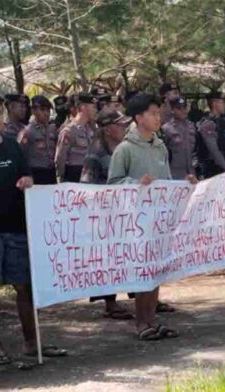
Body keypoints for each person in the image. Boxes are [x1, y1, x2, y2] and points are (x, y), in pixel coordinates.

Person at [0, 90, 67, 364]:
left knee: (25, 287)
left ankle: (32, 343)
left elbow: (27, 175)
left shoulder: (12, 145)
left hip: (17, 229)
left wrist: (27, 182)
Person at [108, 93, 197, 340]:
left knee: (156, 271)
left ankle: (152, 321)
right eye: (153, 114)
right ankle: (141, 324)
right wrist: (136, 183)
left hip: (159, 219)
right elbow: (113, 183)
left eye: (159, 113)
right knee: (142, 274)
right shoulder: (124, 149)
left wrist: (185, 185)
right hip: (136, 221)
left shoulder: (160, 146)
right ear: (138, 118)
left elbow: (166, 181)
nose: (158, 118)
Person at [80, 111, 134, 319]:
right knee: (107, 257)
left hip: (125, 212)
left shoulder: (125, 149)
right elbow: (86, 185)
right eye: (120, 125)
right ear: (107, 129)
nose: (124, 128)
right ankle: (110, 303)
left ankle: (141, 295)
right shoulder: (95, 153)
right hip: (104, 214)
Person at [196, 92, 225, 178]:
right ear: (214, 104)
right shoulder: (208, 124)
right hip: (213, 170)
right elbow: (214, 151)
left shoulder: (224, 121)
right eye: (223, 102)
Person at [55, 93, 97, 183]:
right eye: (93, 107)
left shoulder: (90, 130)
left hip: (88, 177)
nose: (95, 110)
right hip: (73, 177)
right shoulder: (69, 131)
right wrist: (62, 179)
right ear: (83, 107)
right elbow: (60, 158)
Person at [17, 95, 58, 185]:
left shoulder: (52, 129)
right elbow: (21, 155)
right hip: (35, 172)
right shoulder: (28, 131)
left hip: (51, 172)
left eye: (48, 110)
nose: (46, 113)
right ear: (33, 111)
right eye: (42, 110)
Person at [162, 97, 198, 179]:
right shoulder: (167, 128)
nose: (183, 111)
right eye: (179, 108)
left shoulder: (191, 126)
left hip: (191, 171)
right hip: (174, 173)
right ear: (172, 110)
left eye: (184, 107)